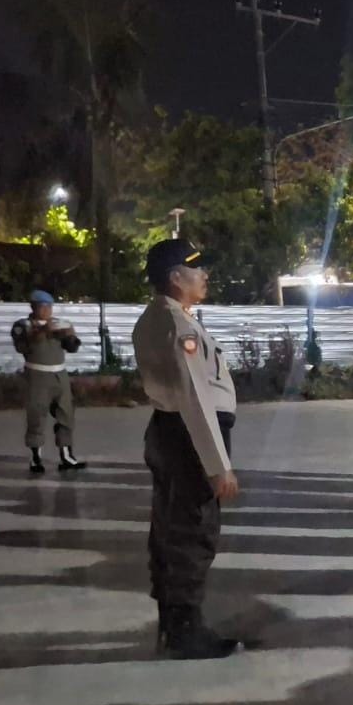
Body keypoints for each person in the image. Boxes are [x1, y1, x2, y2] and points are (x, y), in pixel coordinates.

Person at [131, 238, 241, 659]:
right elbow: (194, 396)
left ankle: (172, 625)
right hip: (189, 436)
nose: (204, 276)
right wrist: (218, 464)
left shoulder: (158, 317)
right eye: (197, 269)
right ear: (176, 278)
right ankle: (185, 631)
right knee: (193, 531)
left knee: (169, 527)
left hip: (171, 430)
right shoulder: (177, 325)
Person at [11, 289, 85, 473]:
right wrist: (43, 331)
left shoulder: (60, 324)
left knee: (66, 414)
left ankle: (66, 456)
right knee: (37, 415)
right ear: (33, 307)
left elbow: (72, 348)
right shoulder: (23, 325)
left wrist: (70, 336)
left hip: (60, 374)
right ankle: (36, 458)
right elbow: (22, 347)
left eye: (49, 307)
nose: (47, 311)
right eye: (42, 307)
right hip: (37, 375)